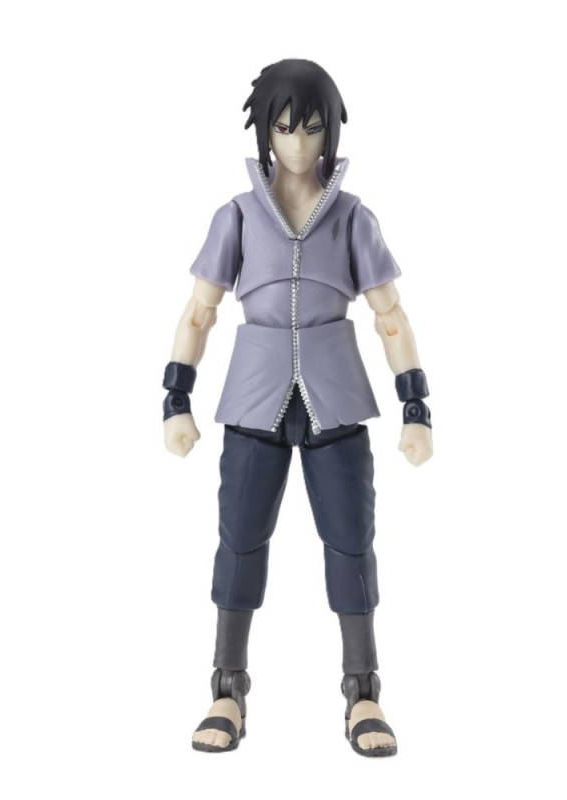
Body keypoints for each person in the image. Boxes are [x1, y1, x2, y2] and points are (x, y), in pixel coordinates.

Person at [163, 59, 433, 757]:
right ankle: (227, 687)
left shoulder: (353, 218)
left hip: (334, 395)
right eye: (285, 128)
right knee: (240, 540)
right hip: (254, 397)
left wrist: (415, 404)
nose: (299, 143)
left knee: (350, 540)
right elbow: (199, 311)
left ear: (330, 133)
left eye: (312, 128)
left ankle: (363, 690)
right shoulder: (236, 216)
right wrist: (176, 396)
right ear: (266, 133)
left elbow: (391, 315)